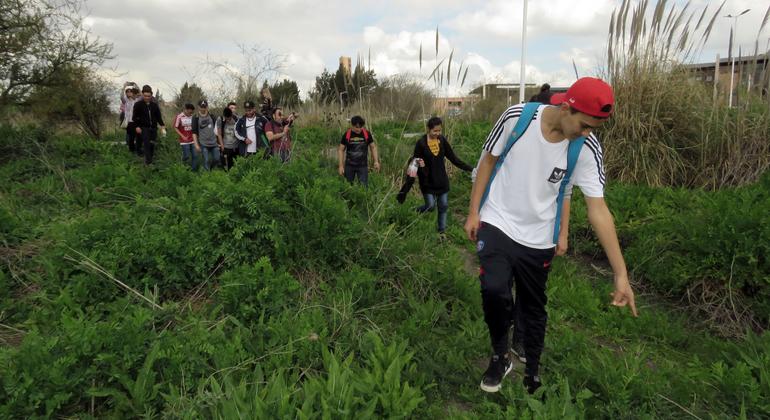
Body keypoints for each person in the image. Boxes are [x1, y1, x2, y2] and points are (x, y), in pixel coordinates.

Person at [464, 77, 637, 395]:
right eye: (585, 125)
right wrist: (474, 211)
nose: (587, 133)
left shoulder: (586, 148)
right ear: (567, 107)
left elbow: (598, 210)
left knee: (533, 308)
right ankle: (500, 355)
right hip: (498, 219)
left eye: (593, 129)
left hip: (539, 236)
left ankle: (532, 372)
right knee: (494, 289)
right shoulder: (518, 117)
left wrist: (620, 273)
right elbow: (488, 159)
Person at [411, 116, 473, 236]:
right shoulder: (421, 143)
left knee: (443, 206)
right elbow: (415, 162)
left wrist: (470, 168)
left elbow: (453, 158)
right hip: (427, 182)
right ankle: (414, 211)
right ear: (428, 129)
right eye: (435, 131)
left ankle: (441, 231)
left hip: (441, 181)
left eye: (440, 131)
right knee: (430, 206)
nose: (438, 133)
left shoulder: (442, 141)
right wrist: (410, 181)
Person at [337, 115, 380, 185]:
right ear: (352, 125)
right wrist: (341, 166)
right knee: (347, 187)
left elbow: (373, 147)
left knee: (363, 188)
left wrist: (376, 161)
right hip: (349, 166)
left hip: (362, 166)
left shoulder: (366, 134)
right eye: (356, 127)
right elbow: (341, 150)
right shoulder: (347, 134)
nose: (359, 129)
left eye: (360, 127)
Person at [132, 85, 166, 165]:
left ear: (151, 95)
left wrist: (162, 125)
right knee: (146, 144)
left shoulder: (154, 105)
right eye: (145, 96)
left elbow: (158, 117)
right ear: (142, 94)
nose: (147, 97)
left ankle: (150, 158)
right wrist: (137, 126)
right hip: (144, 128)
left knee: (152, 144)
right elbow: (134, 117)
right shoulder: (138, 104)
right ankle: (148, 163)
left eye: (149, 96)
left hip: (153, 128)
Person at [192, 100, 222, 171]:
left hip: (214, 143)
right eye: (201, 107)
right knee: (206, 160)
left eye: (205, 107)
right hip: (203, 143)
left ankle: (211, 169)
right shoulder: (195, 117)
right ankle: (207, 176)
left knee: (217, 159)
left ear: (207, 107)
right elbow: (194, 132)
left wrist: (219, 142)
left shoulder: (212, 116)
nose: (203, 108)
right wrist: (196, 145)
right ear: (198, 107)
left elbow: (217, 130)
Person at [174, 103, 197, 170]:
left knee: (195, 156)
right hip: (184, 140)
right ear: (185, 110)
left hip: (193, 140)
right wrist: (182, 136)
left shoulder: (193, 117)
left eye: (192, 112)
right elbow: (175, 127)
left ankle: (193, 170)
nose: (190, 113)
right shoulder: (179, 116)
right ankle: (183, 166)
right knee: (186, 156)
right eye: (189, 112)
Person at [120, 82, 141, 155]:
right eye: (127, 92)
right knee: (131, 137)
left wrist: (135, 84)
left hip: (137, 121)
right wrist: (124, 86)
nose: (129, 93)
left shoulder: (137, 100)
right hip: (129, 122)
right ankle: (131, 150)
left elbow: (141, 93)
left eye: (130, 91)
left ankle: (138, 150)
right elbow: (121, 96)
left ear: (133, 93)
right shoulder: (126, 101)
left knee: (138, 136)